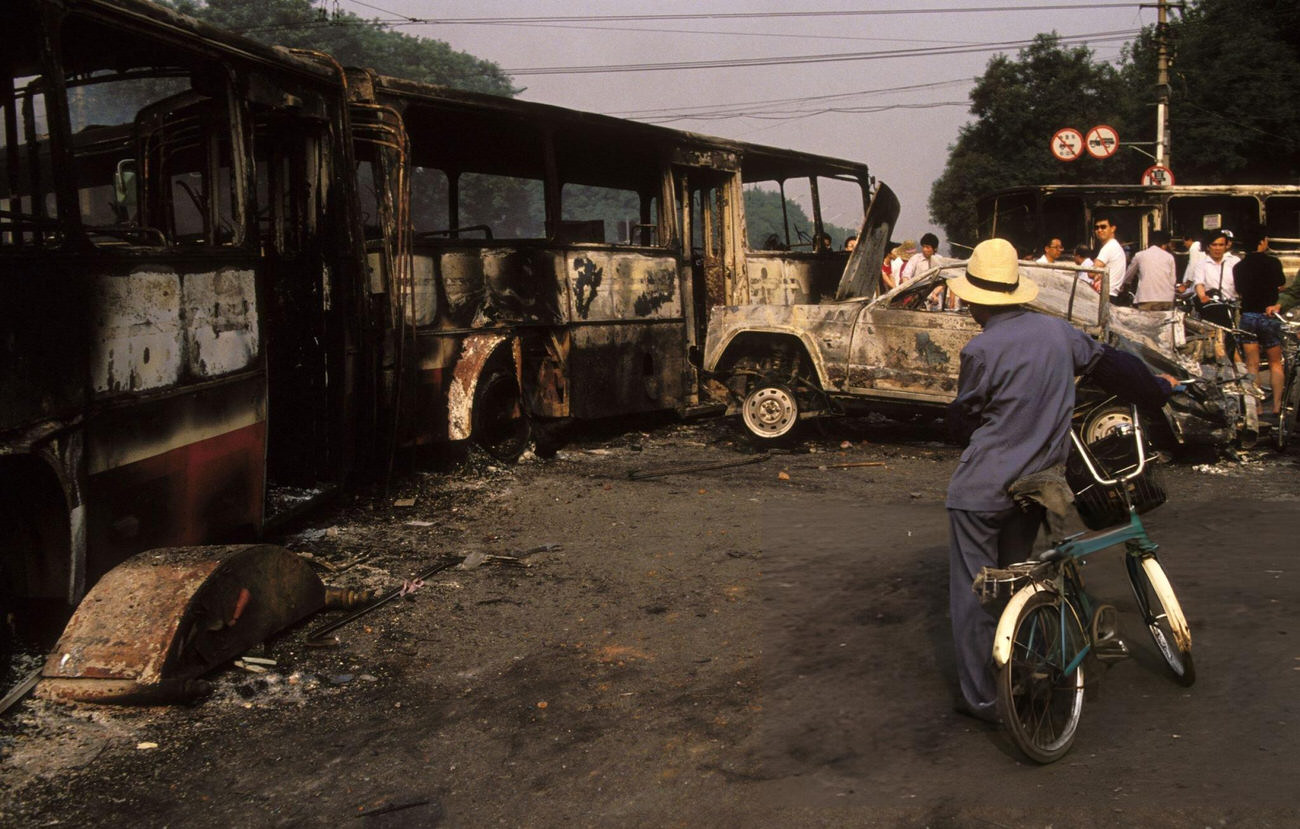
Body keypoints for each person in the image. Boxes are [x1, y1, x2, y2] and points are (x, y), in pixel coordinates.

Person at [944, 238, 1174, 723]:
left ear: (978, 300)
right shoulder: (1059, 333)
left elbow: (963, 419)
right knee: (1020, 580)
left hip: (980, 491)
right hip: (1035, 485)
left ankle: (983, 699)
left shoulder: (980, 349)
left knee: (975, 593)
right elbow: (1120, 368)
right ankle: (1027, 671)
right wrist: (1156, 391)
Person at [1234, 231, 1287, 418]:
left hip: (1248, 317)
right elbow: (1281, 285)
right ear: (1261, 242)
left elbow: (1239, 291)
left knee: (1252, 364)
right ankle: (1277, 406)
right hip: (1269, 316)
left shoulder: (1238, 267)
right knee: (1275, 362)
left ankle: (1255, 406)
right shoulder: (1273, 263)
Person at [1127, 229, 1177, 311]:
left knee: (1146, 323)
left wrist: (1125, 285)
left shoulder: (1139, 255)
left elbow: (1128, 276)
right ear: (1164, 245)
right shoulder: (1169, 257)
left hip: (1146, 299)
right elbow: (1172, 281)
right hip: (1167, 299)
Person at [1092, 214, 1127, 298]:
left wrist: (1095, 265)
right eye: (1097, 228)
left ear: (1112, 228)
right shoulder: (1114, 245)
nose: (1099, 230)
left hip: (1106, 295)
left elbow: (1091, 272)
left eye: (1103, 227)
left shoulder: (1109, 246)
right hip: (1110, 294)